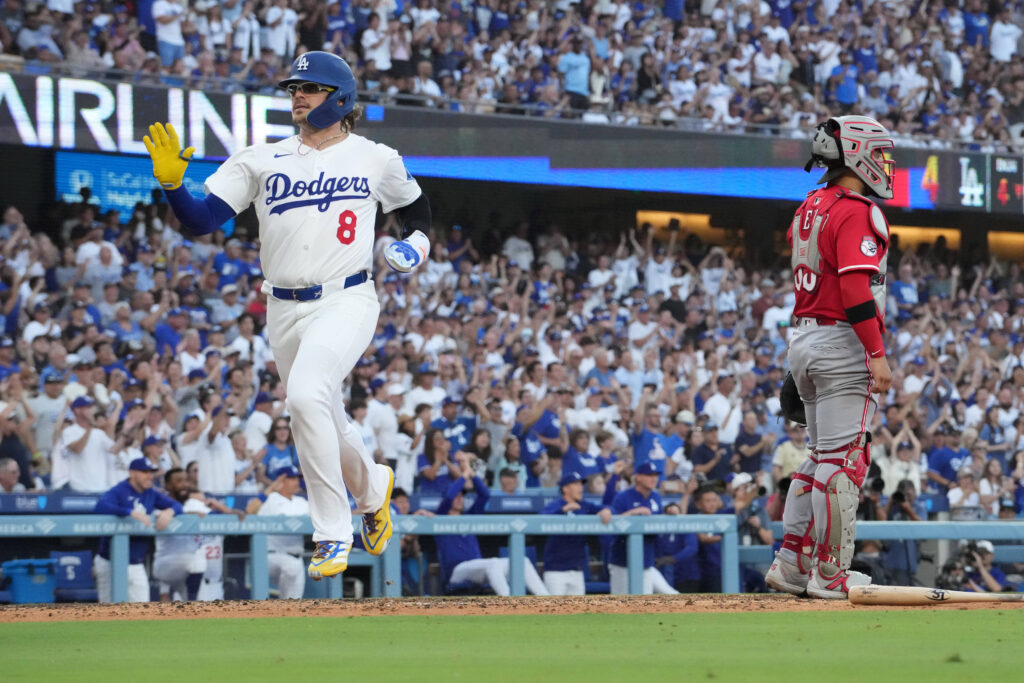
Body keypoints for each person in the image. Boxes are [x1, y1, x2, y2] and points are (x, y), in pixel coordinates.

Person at [143, 52, 433, 580]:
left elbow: (416, 212)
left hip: (347, 298)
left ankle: (331, 531)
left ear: (341, 98)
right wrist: (172, 187)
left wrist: (415, 244)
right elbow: (202, 221)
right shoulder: (260, 158)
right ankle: (372, 488)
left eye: (312, 87)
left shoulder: (375, 157)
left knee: (302, 397)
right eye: (294, 87)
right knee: (322, 410)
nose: (298, 95)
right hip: (281, 306)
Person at [766, 115, 895, 600]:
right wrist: (876, 353)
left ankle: (792, 563)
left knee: (819, 457)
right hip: (842, 340)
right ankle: (830, 573)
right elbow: (855, 288)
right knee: (844, 462)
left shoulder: (809, 206)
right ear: (857, 154)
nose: (884, 163)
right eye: (879, 153)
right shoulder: (855, 210)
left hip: (804, 335)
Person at [434, 455, 549, 596]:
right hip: (456, 571)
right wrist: (464, 475)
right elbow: (449, 497)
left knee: (522, 561)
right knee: (493, 563)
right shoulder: (440, 516)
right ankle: (510, 604)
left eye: (461, 496)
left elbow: (485, 495)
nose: (459, 499)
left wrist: (472, 473)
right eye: (457, 496)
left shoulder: (469, 516)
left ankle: (546, 601)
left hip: (479, 567)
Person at [93, 457, 182, 603]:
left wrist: (169, 512)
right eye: (144, 472)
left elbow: (178, 506)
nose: (149, 476)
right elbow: (100, 507)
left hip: (135, 562)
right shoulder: (120, 490)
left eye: (151, 472)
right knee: (108, 613)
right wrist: (129, 512)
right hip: (110, 561)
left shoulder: (151, 493)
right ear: (132, 473)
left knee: (141, 611)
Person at [608, 461, 679, 595]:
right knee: (620, 606)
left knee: (643, 606)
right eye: (649, 475)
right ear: (638, 477)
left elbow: (657, 523)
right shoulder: (623, 496)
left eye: (655, 475)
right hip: (622, 561)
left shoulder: (656, 497)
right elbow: (613, 523)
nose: (654, 479)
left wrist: (668, 512)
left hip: (645, 560)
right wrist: (634, 512)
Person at [539, 471, 612, 595]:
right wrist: (562, 511)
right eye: (576, 484)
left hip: (577, 569)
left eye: (581, 484)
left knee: (578, 612)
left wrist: (606, 511)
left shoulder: (584, 505)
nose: (581, 488)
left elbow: (605, 508)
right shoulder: (556, 505)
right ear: (565, 488)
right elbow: (540, 520)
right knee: (553, 612)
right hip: (555, 570)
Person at [257, 466, 309, 600]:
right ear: (280, 480)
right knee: (292, 567)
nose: (296, 481)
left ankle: (283, 609)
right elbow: (250, 510)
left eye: (297, 478)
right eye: (291, 478)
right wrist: (271, 488)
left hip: (297, 555)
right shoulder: (271, 498)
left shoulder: (302, 502)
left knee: (295, 602)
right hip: (273, 555)